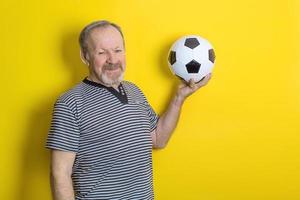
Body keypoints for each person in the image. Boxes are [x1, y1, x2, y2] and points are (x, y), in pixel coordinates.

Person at [46, 20, 211, 200]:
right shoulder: (70, 103)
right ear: (85, 56)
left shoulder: (134, 91)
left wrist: (179, 98)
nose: (112, 59)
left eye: (118, 50)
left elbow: (158, 139)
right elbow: (60, 174)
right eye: (102, 52)